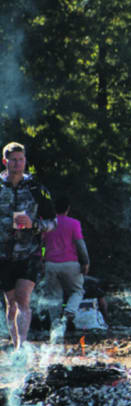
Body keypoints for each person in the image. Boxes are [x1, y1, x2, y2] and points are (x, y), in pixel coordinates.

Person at [0, 142, 56, 349]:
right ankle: (15, 344)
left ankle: (21, 347)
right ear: (5, 162)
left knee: (23, 298)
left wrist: (34, 225)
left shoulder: (35, 189)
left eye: (21, 159)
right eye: (13, 160)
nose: (17, 164)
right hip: (3, 255)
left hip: (30, 252)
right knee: (11, 302)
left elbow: (53, 222)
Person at [42, 195, 90, 329]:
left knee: (54, 297)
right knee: (77, 291)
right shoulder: (74, 223)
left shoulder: (47, 224)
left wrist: (42, 261)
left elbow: (42, 245)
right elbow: (80, 245)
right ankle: (70, 311)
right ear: (68, 209)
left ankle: (56, 328)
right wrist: (85, 262)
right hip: (71, 264)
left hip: (50, 264)